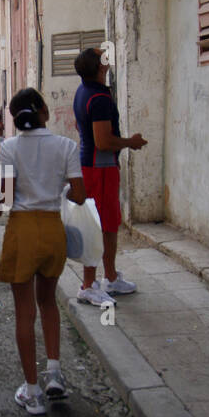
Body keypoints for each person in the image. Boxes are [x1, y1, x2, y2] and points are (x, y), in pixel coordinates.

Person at [0, 88, 87, 414]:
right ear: (44, 111)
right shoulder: (66, 146)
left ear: (17, 118)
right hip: (52, 230)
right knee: (48, 301)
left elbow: (5, 201)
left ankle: (32, 391)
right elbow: (79, 194)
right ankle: (55, 373)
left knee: (24, 310)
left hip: (22, 230)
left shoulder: (8, 148)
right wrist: (56, 189)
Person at [73, 46, 147, 306]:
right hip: (100, 168)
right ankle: (89, 284)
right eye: (103, 56)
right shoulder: (99, 98)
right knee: (100, 227)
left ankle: (110, 277)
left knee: (106, 225)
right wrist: (131, 142)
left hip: (93, 167)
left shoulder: (83, 93)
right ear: (100, 67)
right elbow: (103, 141)